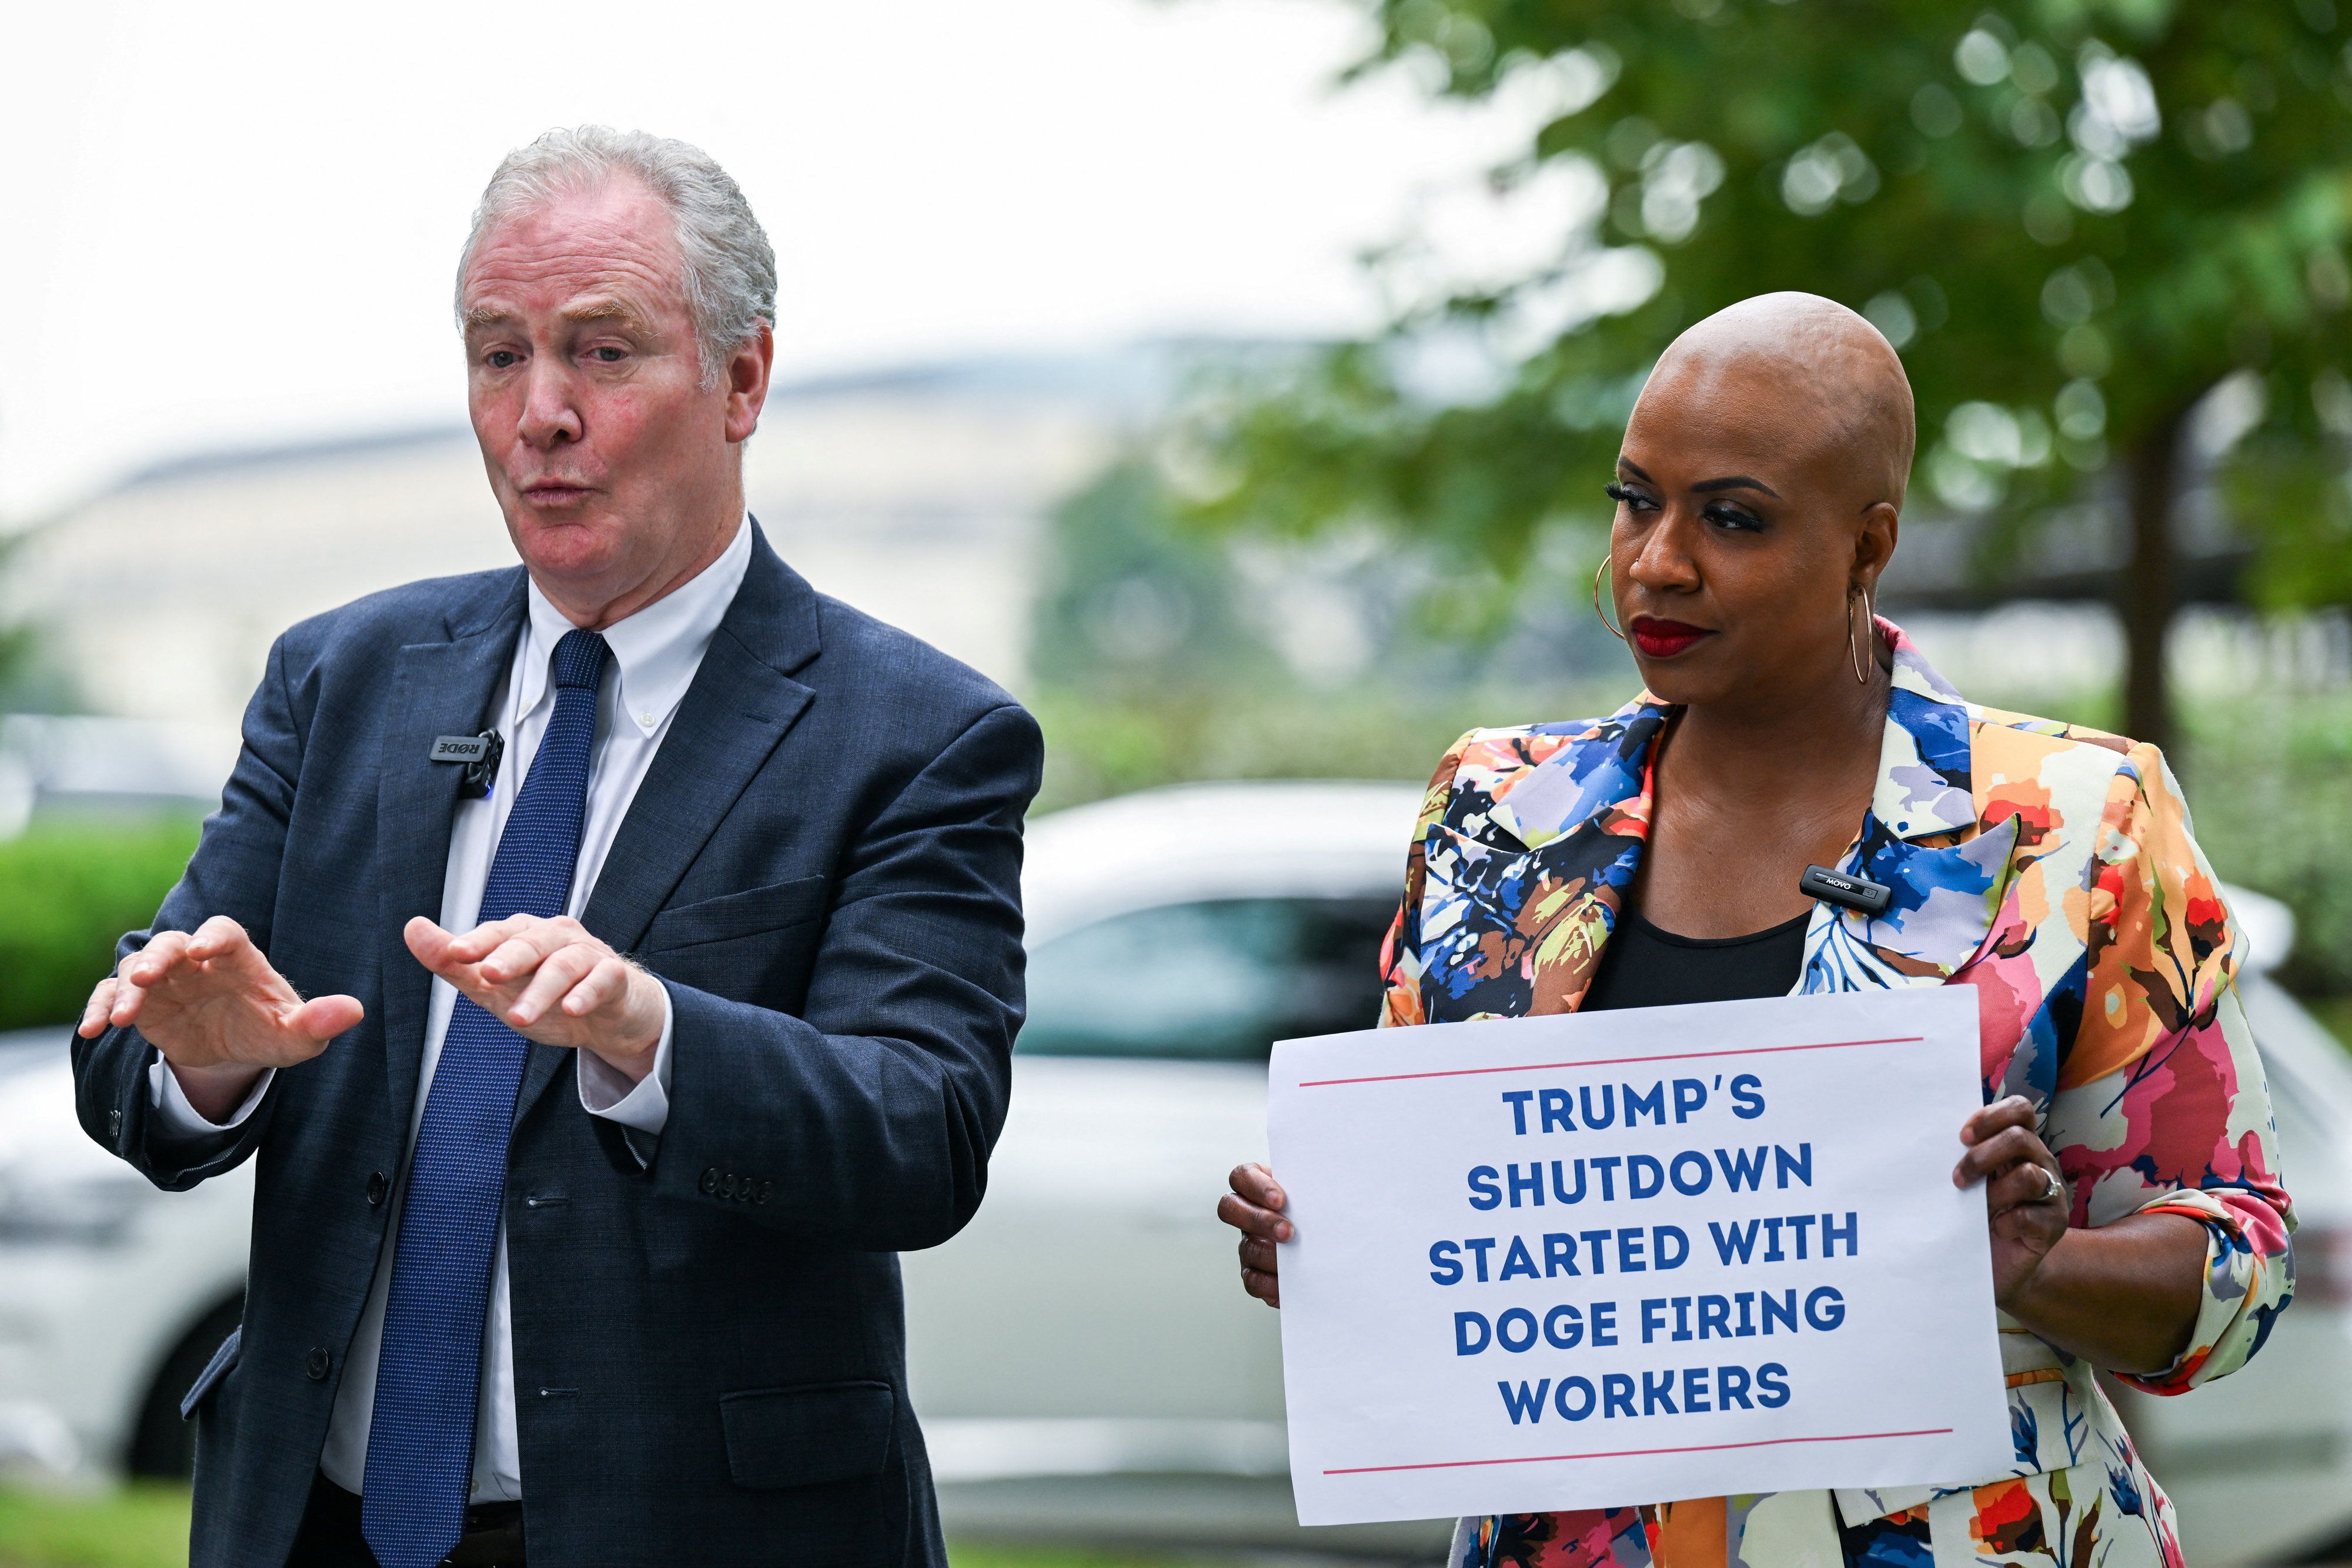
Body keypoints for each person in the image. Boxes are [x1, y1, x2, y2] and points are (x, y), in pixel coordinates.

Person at [70, 127, 1040, 1568]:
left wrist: (653, 1031)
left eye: (602, 351)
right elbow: (133, 1051)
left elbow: (924, 1132)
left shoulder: (915, 732)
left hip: (700, 1533)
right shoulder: (340, 679)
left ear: (742, 380)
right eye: (498, 355)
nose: (539, 414)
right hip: (311, 1520)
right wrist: (207, 1064)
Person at [1218, 293, 2293, 1567]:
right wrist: (1335, 1247)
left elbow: (2239, 1270)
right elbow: (1443, 1222)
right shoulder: (1501, 815)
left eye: (1732, 517)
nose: (1657, 561)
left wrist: (2032, 1267)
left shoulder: (2073, 824)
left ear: (1866, 543)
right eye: (1634, 501)